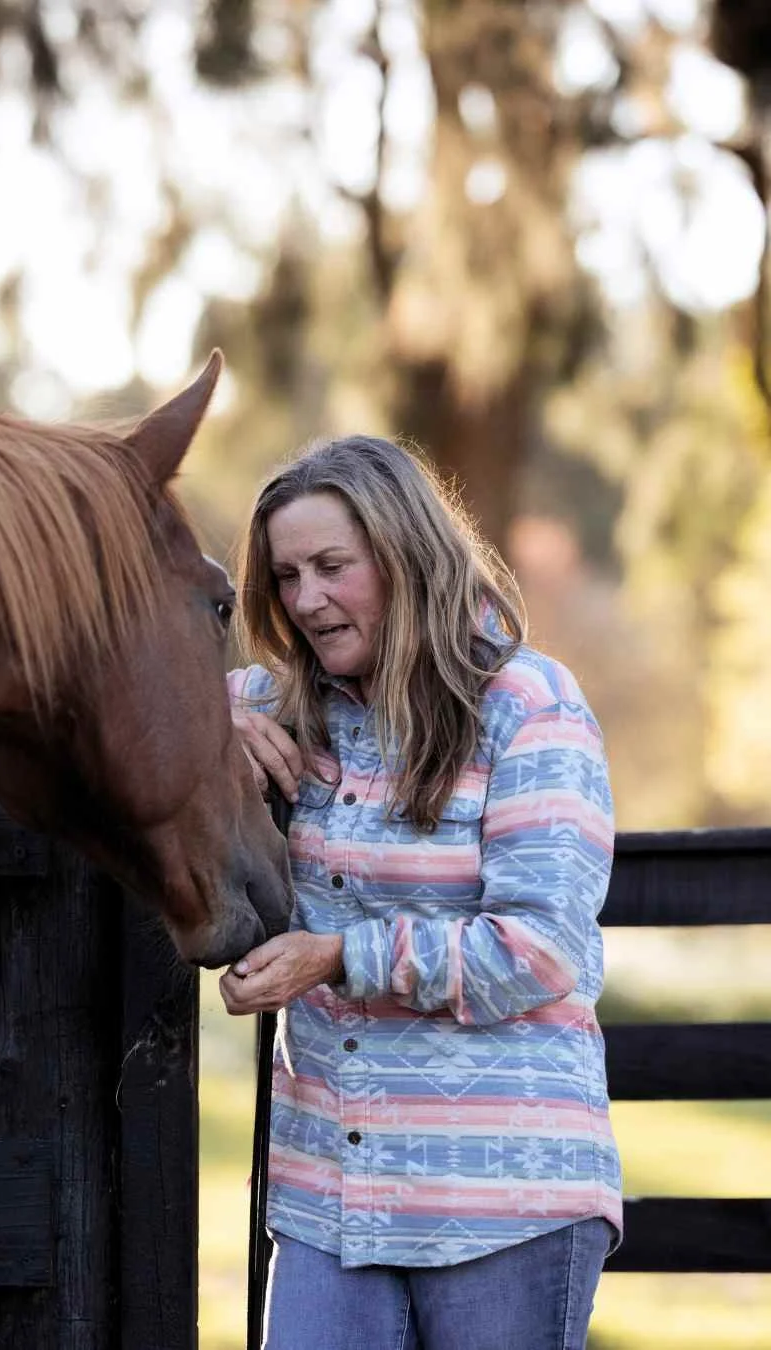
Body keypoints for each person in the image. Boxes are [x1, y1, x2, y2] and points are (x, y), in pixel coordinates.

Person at [223, 435, 621, 1350]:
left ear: (405, 553)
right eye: (286, 576)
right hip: (333, 1202)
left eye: (332, 566)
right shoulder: (284, 708)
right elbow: (133, 710)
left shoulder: (530, 704)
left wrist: (339, 956)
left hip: (504, 1199)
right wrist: (216, 725)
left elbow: (540, 949)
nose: (306, 599)